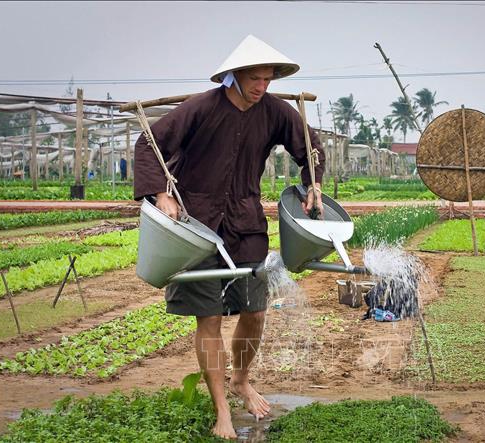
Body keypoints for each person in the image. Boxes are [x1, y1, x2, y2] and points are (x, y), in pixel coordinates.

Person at [133, 35, 325, 440]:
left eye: (268, 79)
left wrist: (314, 184)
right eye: (254, 78)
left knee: (255, 311)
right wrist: (162, 194)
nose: (261, 86)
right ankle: (222, 408)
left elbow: (311, 147)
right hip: (196, 226)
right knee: (210, 318)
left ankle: (241, 380)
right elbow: (147, 146)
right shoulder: (200, 108)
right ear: (235, 77)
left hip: (245, 222)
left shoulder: (275, 112)